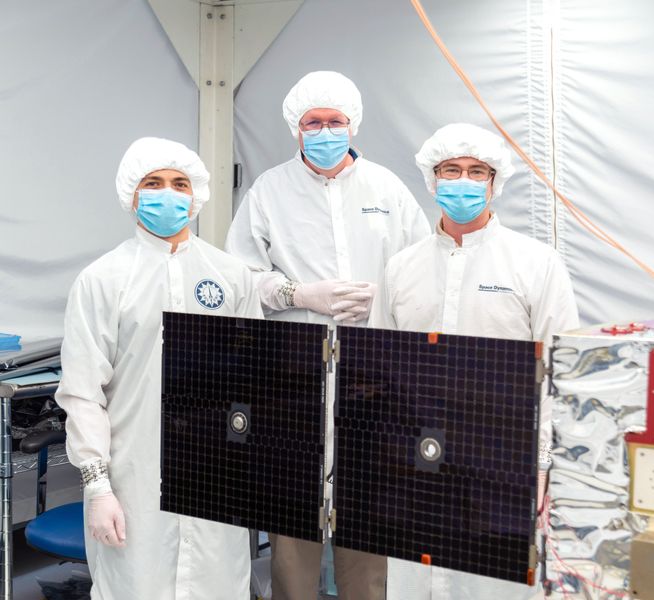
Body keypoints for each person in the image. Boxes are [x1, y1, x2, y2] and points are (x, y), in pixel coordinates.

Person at [226, 71, 431, 600]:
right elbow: (239, 277)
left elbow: (424, 273)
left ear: (352, 125)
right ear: (296, 129)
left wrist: (383, 298)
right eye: (312, 122)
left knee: (367, 516)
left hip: (375, 380)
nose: (323, 131)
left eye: (334, 121)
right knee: (293, 523)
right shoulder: (269, 191)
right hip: (294, 379)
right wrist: (299, 293)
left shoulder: (387, 190)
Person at [370, 123, 580, 600]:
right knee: (417, 580)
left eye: (475, 171)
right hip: (416, 463)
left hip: (501, 463)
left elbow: (561, 374)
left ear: (493, 182)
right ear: (432, 179)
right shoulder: (402, 268)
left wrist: (545, 463)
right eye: (451, 170)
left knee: (491, 584)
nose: (462, 181)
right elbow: (380, 368)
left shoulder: (535, 264)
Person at [55, 137, 263, 600]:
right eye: (154, 182)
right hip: (134, 479)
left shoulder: (232, 277)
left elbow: (253, 379)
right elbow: (84, 394)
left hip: (216, 476)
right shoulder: (103, 280)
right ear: (133, 195)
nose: (168, 193)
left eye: (179, 183)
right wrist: (98, 486)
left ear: (196, 196)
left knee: (217, 586)